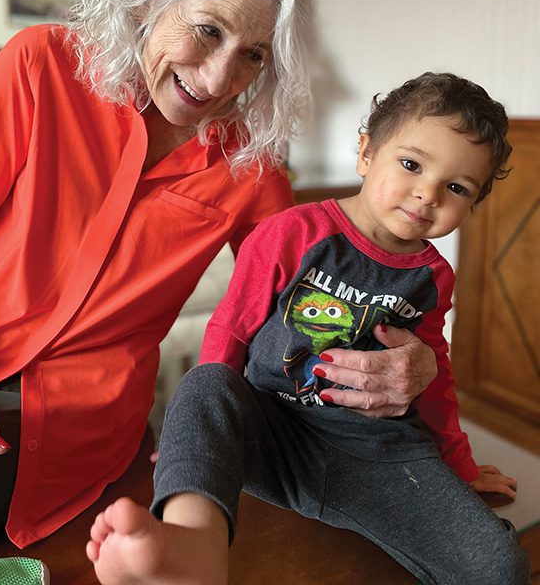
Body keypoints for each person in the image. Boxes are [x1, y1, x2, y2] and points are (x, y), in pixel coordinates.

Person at [0, 0, 438, 563]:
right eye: (207, 31)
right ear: (150, 0)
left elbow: (310, 304)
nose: (217, 79)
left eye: (252, 57)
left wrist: (418, 363)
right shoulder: (41, 67)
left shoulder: (250, 165)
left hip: (74, 432)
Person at [86, 72, 530, 585]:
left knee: (501, 564)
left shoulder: (432, 277)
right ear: (366, 153)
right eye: (410, 164)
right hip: (272, 433)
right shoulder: (293, 232)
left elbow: (434, 376)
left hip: (379, 454)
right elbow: (230, 331)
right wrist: (201, 440)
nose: (427, 193)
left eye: (456, 187)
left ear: (472, 206)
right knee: (206, 384)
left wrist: (461, 464)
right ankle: (191, 550)